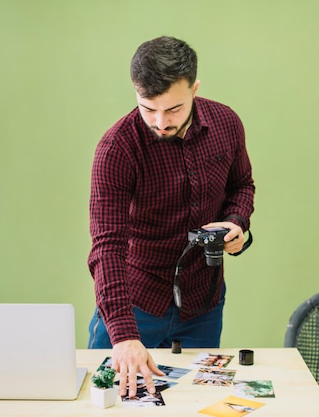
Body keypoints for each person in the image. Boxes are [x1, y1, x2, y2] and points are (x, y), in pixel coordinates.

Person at [87, 35, 255, 398]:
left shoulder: (227, 124)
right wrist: (124, 334)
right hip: (134, 304)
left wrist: (237, 223)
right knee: (109, 402)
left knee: (194, 403)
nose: (160, 122)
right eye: (148, 108)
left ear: (194, 88)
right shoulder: (116, 149)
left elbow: (242, 185)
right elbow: (106, 247)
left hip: (203, 302)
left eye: (174, 109)